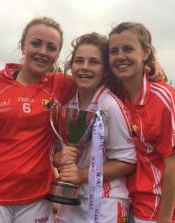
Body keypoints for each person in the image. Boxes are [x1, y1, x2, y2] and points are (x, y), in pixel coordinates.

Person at [0, 17, 76, 223]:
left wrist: (149, 70)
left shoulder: (61, 84)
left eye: (51, 47)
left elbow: (97, 76)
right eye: (36, 43)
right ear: (22, 45)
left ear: (57, 54)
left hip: (37, 197)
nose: (43, 52)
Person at [108, 22, 175, 223]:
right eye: (113, 51)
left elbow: (174, 163)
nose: (120, 56)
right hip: (134, 204)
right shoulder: (121, 96)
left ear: (145, 52)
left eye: (128, 49)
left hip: (163, 212)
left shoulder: (164, 97)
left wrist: (164, 219)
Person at [54, 33, 136, 223]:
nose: (84, 67)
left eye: (94, 62)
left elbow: (128, 161)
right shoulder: (67, 104)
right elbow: (60, 154)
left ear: (106, 70)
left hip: (104, 202)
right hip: (71, 200)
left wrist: (82, 175)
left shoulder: (111, 106)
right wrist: (59, 158)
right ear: (71, 66)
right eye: (79, 61)